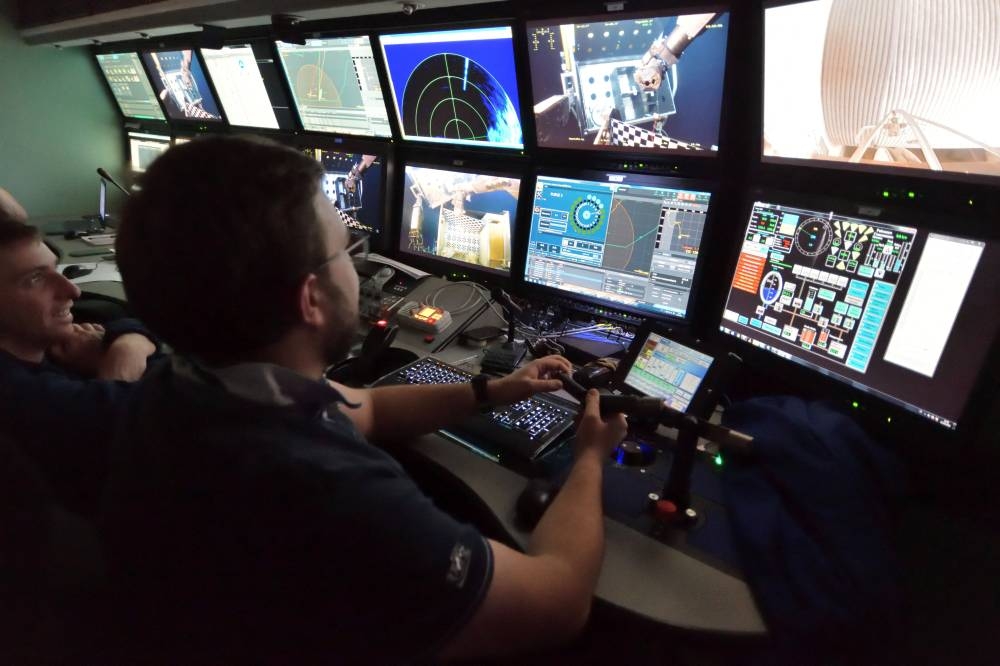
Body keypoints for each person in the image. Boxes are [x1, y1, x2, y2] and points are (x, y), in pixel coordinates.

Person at [105, 135, 629, 663]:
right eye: (348, 250)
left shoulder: (185, 386)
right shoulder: (332, 492)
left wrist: (491, 391)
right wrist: (589, 457)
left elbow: (369, 408)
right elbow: (559, 603)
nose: (358, 269)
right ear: (310, 299)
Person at [0, 206, 158, 515]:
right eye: (34, 280)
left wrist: (124, 344)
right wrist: (123, 354)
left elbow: (132, 329)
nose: (71, 290)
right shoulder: (17, 393)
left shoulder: (50, 344)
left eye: (54, 270)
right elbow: (122, 416)